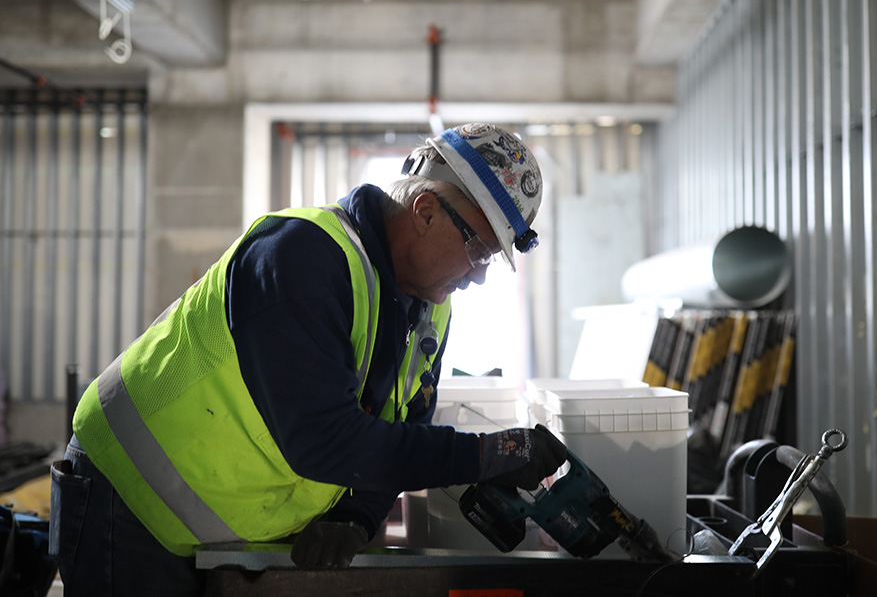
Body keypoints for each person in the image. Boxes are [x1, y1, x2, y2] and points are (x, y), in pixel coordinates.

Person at [49, 122, 567, 596]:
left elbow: (402, 426)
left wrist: (356, 518)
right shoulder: (302, 255)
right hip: (127, 500)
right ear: (426, 211)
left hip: (228, 527)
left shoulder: (432, 308)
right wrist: (486, 457)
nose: (478, 275)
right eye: (479, 250)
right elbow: (324, 437)